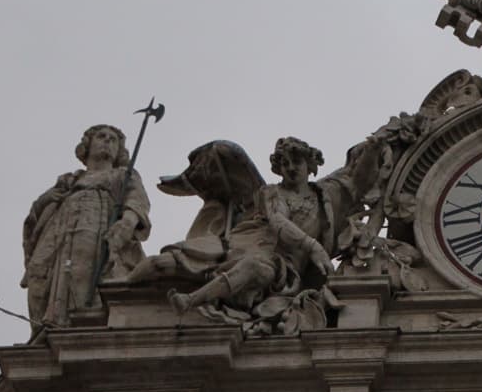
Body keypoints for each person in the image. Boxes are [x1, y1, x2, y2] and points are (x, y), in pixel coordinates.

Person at [148, 137, 336, 315]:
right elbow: (278, 220)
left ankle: (192, 298)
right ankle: (189, 300)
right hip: (263, 253)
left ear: (310, 164)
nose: (291, 168)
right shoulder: (272, 192)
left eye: (296, 162)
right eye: (285, 164)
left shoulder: (322, 196)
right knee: (253, 266)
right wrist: (313, 246)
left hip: (294, 271)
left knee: (255, 266)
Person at [22, 124, 151, 326]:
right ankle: (45, 324)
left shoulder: (123, 175)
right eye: (101, 136)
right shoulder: (69, 180)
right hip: (58, 229)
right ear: (88, 145)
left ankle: (82, 323)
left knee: (82, 271)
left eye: (113, 140)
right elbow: (36, 215)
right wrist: (45, 200)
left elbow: (137, 200)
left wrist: (128, 221)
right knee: (39, 274)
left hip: (96, 225)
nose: (107, 141)